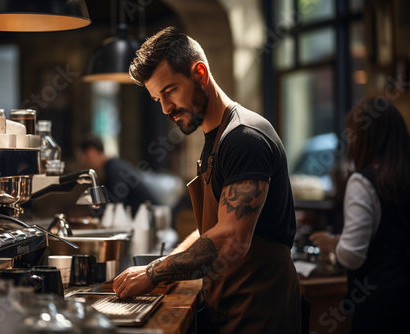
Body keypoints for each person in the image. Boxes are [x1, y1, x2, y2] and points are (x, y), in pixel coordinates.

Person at [112, 26, 302, 333]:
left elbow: (231, 240)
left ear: (200, 72)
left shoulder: (244, 138)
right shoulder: (215, 139)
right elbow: (213, 229)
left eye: (170, 91)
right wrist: (167, 261)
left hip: (261, 310)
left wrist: (153, 272)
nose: (165, 108)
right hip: (231, 304)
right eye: (157, 98)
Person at [309, 97, 410, 334]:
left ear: (364, 138)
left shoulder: (363, 182)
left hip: (381, 306)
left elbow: (352, 255)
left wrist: (333, 243)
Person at [75, 133, 158, 216]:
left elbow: (113, 207)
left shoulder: (114, 170)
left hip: (151, 219)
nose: (82, 164)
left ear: (91, 153)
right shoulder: (112, 167)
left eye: (81, 158)